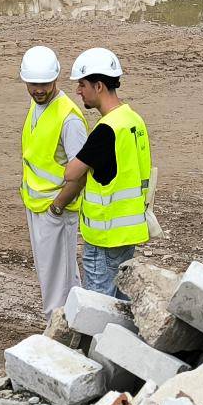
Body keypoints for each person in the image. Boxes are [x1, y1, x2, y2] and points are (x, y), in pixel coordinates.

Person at [49, 47, 153, 299]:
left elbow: (72, 173)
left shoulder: (106, 129)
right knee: (121, 300)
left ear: (98, 86)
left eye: (82, 84)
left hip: (105, 234)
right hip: (129, 230)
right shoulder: (133, 120)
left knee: (98, 304)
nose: (78, 90)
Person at [16, 45, 86, 315]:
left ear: (56, 79)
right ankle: (70, 325)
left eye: (44, 84)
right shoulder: (37, 107)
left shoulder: (69, 119)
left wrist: (57, 207)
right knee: (55, 276)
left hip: (56, 210)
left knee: (60, 281)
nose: (39, 90)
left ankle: (57, 331)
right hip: (38, 206)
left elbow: (80, 173)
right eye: (33, 84)